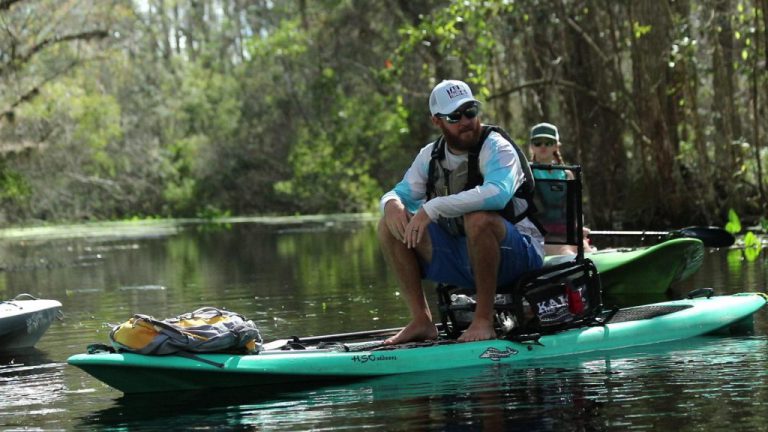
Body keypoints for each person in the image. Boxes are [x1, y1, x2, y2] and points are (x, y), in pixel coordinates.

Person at [378, 80, 545, 344]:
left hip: (519, 255)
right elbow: (399, 192)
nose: (465, 121)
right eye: (455, 116)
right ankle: (422, 321)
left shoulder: (498, 147)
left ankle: (483, 320)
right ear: (437, 121)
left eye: (470, 112)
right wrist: (390, 204)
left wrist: (432, 207)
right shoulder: (429, 155)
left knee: (479, 218)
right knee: (387, 225)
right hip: (463, 255)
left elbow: (498, 194)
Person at [528, 122, 596, 254]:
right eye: (538, 143)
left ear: (556, 146)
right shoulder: (527, 173)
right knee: (567, 253)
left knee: (589, 253)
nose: (543, 146)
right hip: (540, 237)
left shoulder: (566, 174)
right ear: (532, 147)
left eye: (548, 142)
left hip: (567, 234)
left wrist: (578, 227)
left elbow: (573, 208)